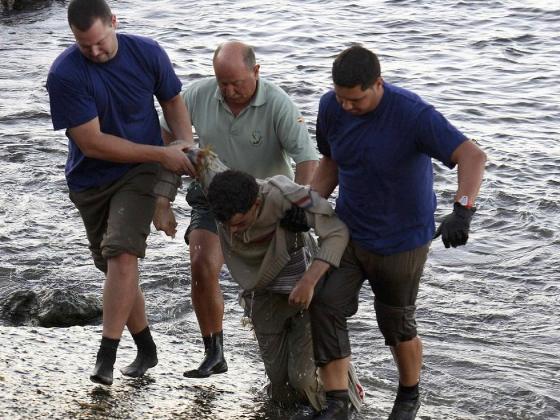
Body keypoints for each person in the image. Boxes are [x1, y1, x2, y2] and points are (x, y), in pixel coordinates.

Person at [305, 45, 487, 419]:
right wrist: (309, 205)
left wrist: (462, 211)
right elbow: (331, 162)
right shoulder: (331, 106)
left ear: (378, 84)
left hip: (402, 240)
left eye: (354, 100)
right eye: (341, 98)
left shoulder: (412, 114)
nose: (346, 107)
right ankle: (338, 400)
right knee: (325, 304)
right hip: (349, 232)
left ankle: (408, 396)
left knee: (396, 323)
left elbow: (472, 156)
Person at [46, 0, 195, 385]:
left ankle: (105, 356)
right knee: (114, 268)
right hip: (90, 179)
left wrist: (183, 147)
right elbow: (93, 143)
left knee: (123, 255)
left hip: (141, 172)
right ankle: (146, 346)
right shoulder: (64, 74)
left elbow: (173, 101)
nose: (94, 52)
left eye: (100, 42)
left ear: (114, 22)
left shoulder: (147, 52)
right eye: (84, 46)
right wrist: (163, 152)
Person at [155, 41, 318, 378]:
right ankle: (214, 351)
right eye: (222, 83)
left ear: (256, 72)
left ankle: (300, 363)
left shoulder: (278, 104)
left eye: (237, 83)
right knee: (201, 265)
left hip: (267, 202)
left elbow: (307, 158)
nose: (229, 91)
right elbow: (170, 140)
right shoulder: (198, 94)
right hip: (213, 196)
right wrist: (162, 201)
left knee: (275, 287)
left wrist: (301, 205)